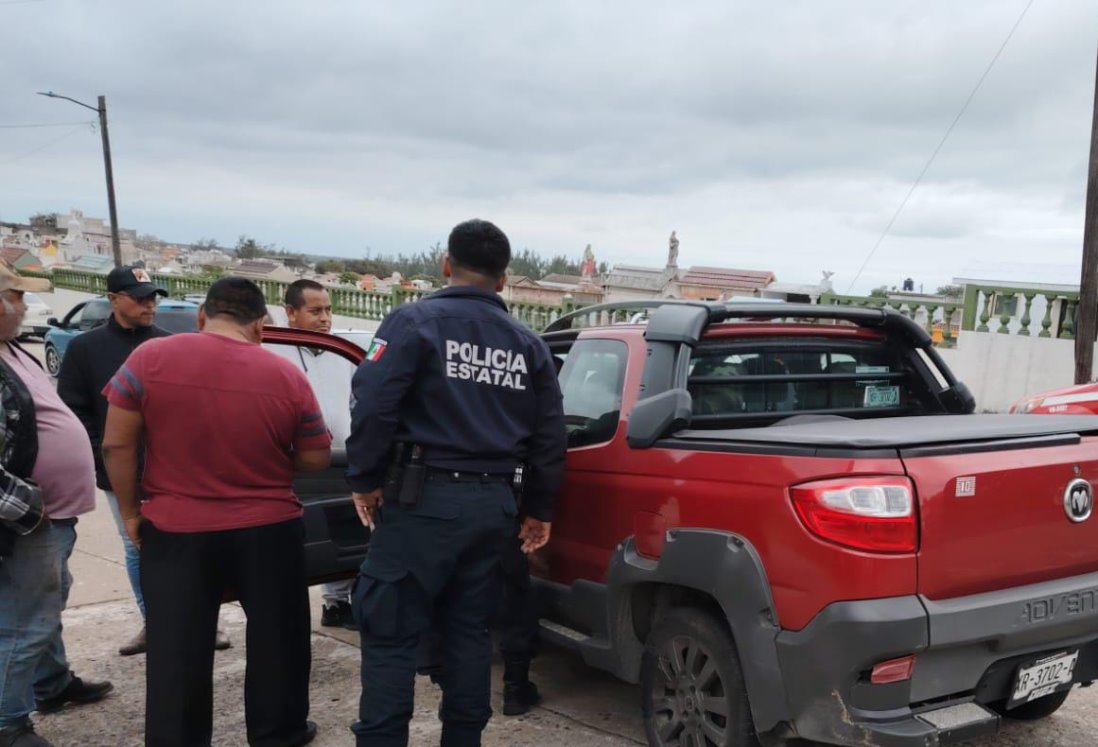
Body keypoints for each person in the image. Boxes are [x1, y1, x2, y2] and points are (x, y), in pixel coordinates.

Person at [346, 219, 566, 747]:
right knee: (469, 631)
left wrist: (364, 477)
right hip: (493, 506)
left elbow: (373, 405)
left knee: (391, 631)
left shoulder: (413, 321)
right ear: (504, 278)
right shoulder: (528, 344)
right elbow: (549, 435)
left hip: (422, 500)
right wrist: (539, 508)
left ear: (446, 265)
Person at [101, 277, 332, 747]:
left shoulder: (148, 359)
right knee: (279, 639)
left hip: (176, 529)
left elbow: (115, 443)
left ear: (203, 316)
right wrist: (270, 457)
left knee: (176, 648)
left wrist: (130, 512)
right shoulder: (286, 376)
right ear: (261, 327)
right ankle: (278, 733)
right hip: (268, 530)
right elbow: (316, 458)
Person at [56, 265, 232, 656]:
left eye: (152, 296)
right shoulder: (85, 349)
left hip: (176, 471)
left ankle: (206, 621)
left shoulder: (173, 345)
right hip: (120, 472)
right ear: (114, 299)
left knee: (191, 546)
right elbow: (74, 412)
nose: (148, 304)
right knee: (137, 547)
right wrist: (103, 459)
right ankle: (155, 623)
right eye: (139, 297)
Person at [0, 263, 113, 747]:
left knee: (47, 601)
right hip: (28, 520)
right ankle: (8, 722)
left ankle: (51, 683)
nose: (25, 307)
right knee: (28, 619)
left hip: (52, 514)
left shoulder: (10, 350)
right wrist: (27, 507)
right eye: (17, 297)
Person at [270, 279, 356, 629]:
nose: (325, 318)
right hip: (294, 463)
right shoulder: (274, 351)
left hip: (341, 459)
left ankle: (336, 603)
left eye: (328, 310)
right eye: (315, 311)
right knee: (298, 537)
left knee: (343, 532)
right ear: (290, 312)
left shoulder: (340, 352)